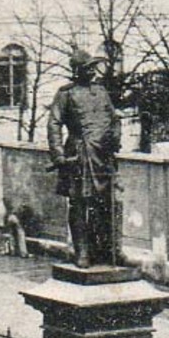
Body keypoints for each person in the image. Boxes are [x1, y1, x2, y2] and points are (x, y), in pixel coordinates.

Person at [46, 47, 123, 268]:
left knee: (105, 204)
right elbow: (54, 124)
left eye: (93, 67)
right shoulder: (66, 94)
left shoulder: (101, 91)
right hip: (79, 155)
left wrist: (115, 139)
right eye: (87, 68)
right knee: (79, 203)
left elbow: (114, 117)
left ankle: (106, 251)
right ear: (77, 71)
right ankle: (82, 252)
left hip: (103, 155)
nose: (92, 72)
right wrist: (58, 154)